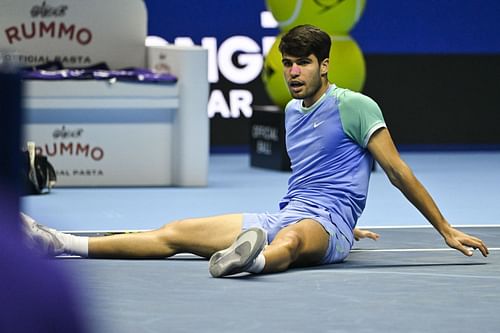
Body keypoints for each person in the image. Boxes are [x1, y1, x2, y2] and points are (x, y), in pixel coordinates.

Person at [21, 24, 488, 278]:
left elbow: (398, 171)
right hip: (286, 212)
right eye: (287, 64)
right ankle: (60, 243)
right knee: (177, 231)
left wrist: (444, 229)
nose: (293, 72)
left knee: (294, 241)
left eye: (302, 63)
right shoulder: (289, 113)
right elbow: (317, 175)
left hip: (328, 225)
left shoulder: (355, 106)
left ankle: (252, 261)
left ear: (324, 65)